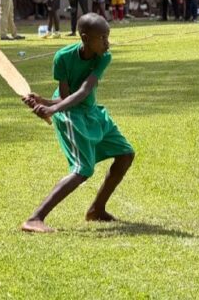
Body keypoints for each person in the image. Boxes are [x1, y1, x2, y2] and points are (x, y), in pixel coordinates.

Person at [20, 13, 135, 233]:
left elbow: (84, 91)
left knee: (125, 154)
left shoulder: (104, 57)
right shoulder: (63, 57)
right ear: (85, 38)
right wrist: (47, 104)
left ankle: (96, 210)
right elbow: (65, 99)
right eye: (102, 38)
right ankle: (34, 218)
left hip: (91, 111)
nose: (107, 43)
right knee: (82, 170)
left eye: (107, 36)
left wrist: (49, 106)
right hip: (71, 116)